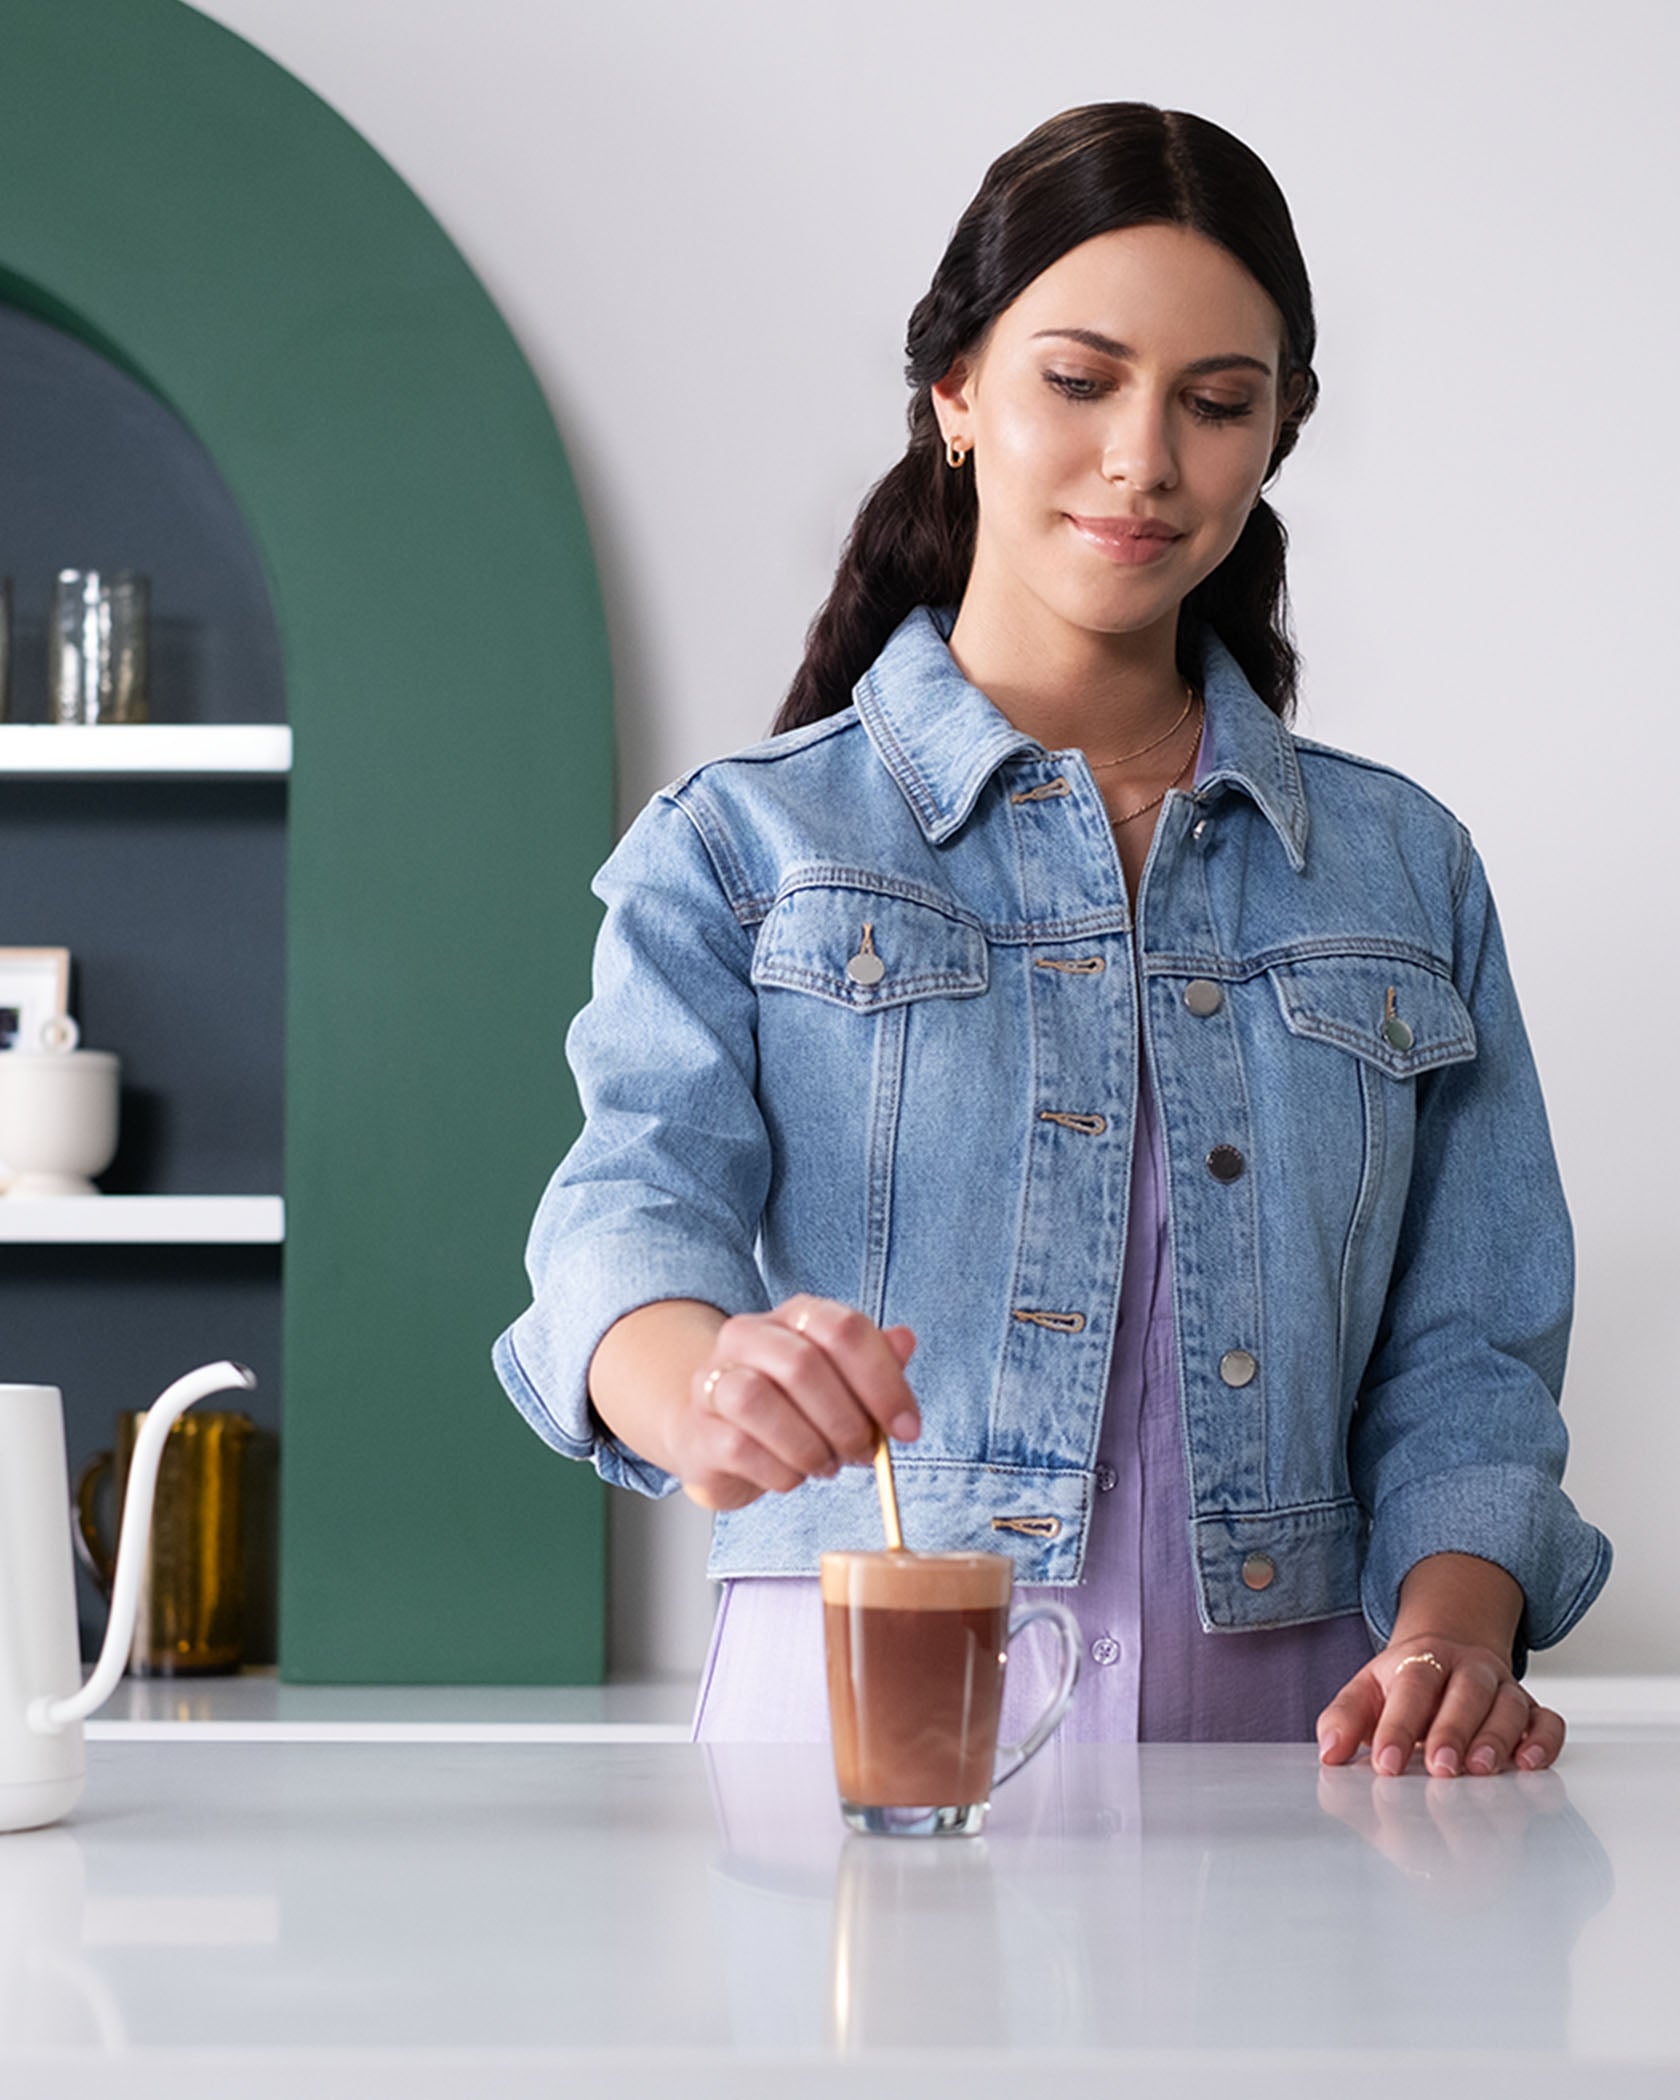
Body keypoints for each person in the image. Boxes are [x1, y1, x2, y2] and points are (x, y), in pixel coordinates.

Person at [493, 101, 1610, 1774]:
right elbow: (623, 1221)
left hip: (1315, 1739)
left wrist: (1453, 1638)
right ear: (955, 393)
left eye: (1216, 404)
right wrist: (705, 1379)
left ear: (1278, 433)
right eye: (1077, 382)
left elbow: (1472, 1347)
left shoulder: (1402, 871)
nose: (1143, 460)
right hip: (867, 1713)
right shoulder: (746, 844)